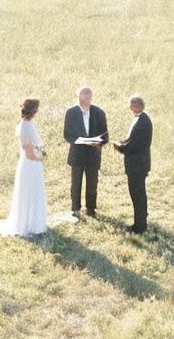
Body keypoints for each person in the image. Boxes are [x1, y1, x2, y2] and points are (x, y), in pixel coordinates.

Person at [0, 99, 51, 237]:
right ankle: (29, 224)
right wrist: (40, 158)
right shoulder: (26, 126)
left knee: (32, 192)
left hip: (31, 164)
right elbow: (28, 150)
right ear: (34, 111)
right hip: (30, 164)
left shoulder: (26, 124)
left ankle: (32, 222)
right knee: (31, 192)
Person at [63, 86, 108, 218]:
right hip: (77, 154)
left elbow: (105, 136)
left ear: (91, 97)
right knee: (76, 183)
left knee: (92, 183)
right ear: (78, 97)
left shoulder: (99, 112)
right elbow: (67, 135)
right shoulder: (71, 112)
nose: (85, 99)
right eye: (83, 97)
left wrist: (97, 142)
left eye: (88, 97)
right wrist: (80, 141)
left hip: (93, 154)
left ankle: (91, 209)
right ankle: (75, 208)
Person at [110, 96, 152, 234]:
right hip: (138, 163)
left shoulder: (143, 122)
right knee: (138, 193)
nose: (135, 106)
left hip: (137, 164)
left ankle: (139, 227)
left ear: (142, 105)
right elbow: (130, 139)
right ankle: (141, 221)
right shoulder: (139, 119)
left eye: (138, 104)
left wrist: (120, 147)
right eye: (133, 104)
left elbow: (134, 145)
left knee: (137, 194)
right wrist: (121, 142)